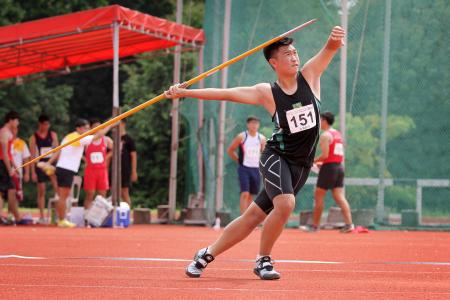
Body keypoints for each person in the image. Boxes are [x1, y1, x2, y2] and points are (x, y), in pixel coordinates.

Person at [165, 26, 345, 280]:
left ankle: (205, 254)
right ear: (274, 63)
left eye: (295, 52)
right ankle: (263, 260)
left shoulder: (310, 76)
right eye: (287, 54)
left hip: (301, 166)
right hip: (276, 157)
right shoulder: (267, 92)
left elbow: (330, 48)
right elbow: (227, 94)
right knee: (286, 204)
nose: (294, 57)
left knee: (252, 217)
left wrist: (334, 38)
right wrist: (184, 92)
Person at [46, 119, 112, 228]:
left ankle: (60, 218)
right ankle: (62, 220)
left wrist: (48, 163)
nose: (88, 130)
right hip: (66, 169)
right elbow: (97, 136)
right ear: (78, 128)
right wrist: (109, 126)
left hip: (64, 168)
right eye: (85, 128)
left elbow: (58, 151)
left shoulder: (69, 136)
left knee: (62, 195)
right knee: (63, 196)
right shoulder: (79, 137)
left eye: (87, 128)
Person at [304, 112, 354, 233]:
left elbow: (325, 155)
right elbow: (334, 155)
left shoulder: (325, 135)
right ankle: (349, 224)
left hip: (329, 168)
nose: (319, 122)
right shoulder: (337, 134)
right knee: (339, 196)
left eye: (320, 120)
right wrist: (323, 163)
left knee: (319, 195)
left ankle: (315, 226)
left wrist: (311, 161)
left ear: (325, 120)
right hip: (339, 167)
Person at [227, 116, 266, 214]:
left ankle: (248, 217)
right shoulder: (242, 137)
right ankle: (242, 218)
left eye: (256, 123)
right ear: (248, 125)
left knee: (252, 195)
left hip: (256, 169)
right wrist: (239, 161)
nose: (254, 125)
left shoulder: (261, 138)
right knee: (245, 193)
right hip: (244, 169)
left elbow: (264, 153)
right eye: (252, 123)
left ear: (259, 125)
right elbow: (230, 150)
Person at [29, 114, 59, 223]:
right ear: (40, 124)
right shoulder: (34, 137)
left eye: (48, 124)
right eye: (44, 124)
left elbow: (57, 150)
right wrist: (32, 172)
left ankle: (56, 215)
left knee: (57, 189)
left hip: (51, 164)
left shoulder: (53, 135)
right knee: (41, 190)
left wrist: (51, 163)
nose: (46, 126)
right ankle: (41, 216)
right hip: (40, 165)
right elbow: (32, 156)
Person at [83, 119, 113, 210]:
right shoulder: (87, 139)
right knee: (90, 194)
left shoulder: (106, 139)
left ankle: (100, 216)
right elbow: (78, 152)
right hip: (90, 170)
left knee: (102, 195)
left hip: (102, 171)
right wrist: (85, 160)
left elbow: (115, 149)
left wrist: (106, 158)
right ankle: (86, 217)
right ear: (91, 128)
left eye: (100, 127)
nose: (98, 129)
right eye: (95, 127)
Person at [0, 111, 23, 224]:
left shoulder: (9, 132)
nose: (18, 123)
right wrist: (9, 169)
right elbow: (4, 153)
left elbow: (9, 153)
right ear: (11, 120)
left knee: (8, 191)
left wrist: (15, 167)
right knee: (10, 190)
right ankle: (16, 217)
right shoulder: (4, 132)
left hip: (6, 162)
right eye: (17, 120)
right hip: (2, 163)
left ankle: (14, 216)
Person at [119, 119, 137, 205]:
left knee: (124, 192)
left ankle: (127, 213)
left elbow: (134, 156)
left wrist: (134, 171)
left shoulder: (129, 139)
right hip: (115, 169)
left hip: (125, 169)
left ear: (123, 124)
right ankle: (118, 212)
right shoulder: (114, 138)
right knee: (116, 192)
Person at [11, 127, 31, 203]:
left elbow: (26, 158)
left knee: (17, 194)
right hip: (5, 171)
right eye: (11, 129)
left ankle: (12, 213)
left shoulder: (22, 143)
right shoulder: (4, 141)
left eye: (15, 129)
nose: (13, 131)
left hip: (18, 173)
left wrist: (27, 173)